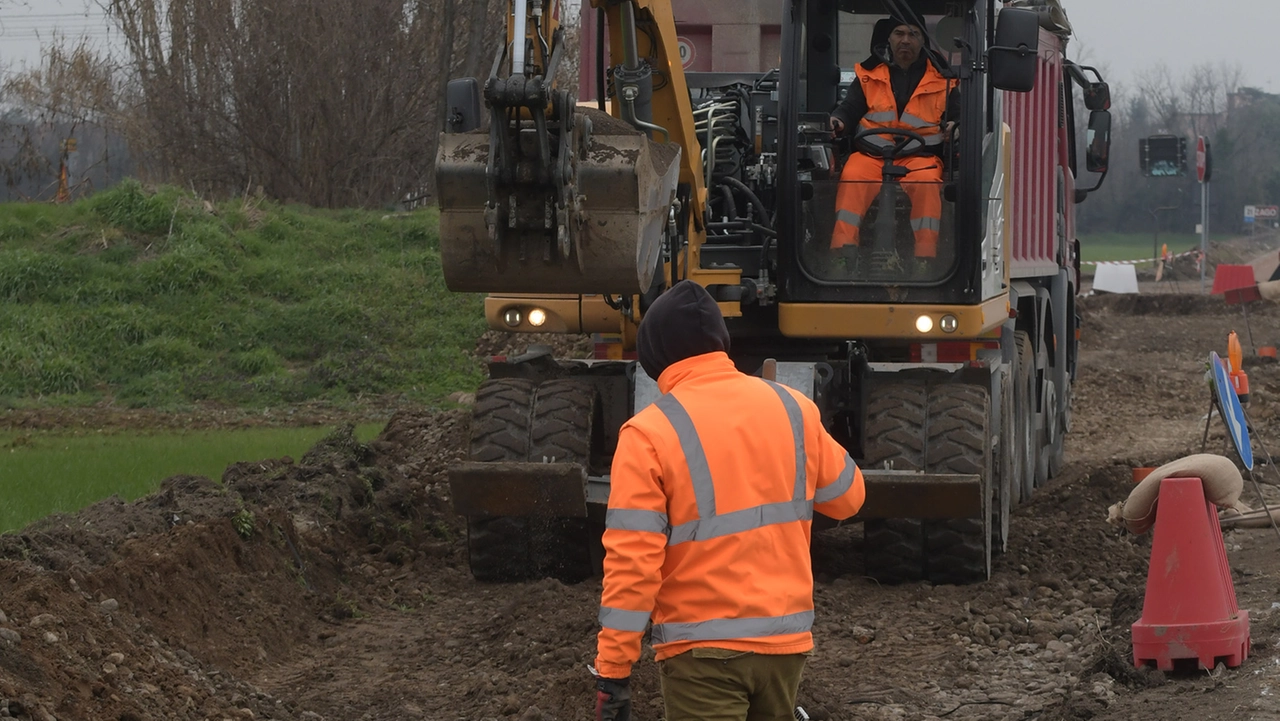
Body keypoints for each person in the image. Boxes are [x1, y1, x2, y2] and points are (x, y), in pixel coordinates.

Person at [591, 280, 867, 721]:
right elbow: (848, 498)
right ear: (721, 342)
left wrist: (614, 669)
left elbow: (632, 563)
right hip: (784, 646)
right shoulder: (793, 406)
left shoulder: (648, 434)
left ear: (655, 358)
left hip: (702, 654)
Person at [829, 16, 958, 258]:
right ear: (888, 38)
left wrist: (955, 125)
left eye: (913, 34)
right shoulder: (868, 75)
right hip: (871, 156)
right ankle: (842, 256)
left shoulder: (944, 79)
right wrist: (837, 120)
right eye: (899, 33)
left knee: (928, 184)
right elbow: (850, 108)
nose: (906, 40)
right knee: (852, 176)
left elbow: (958, 113)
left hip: (920, 159)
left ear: (923, 40)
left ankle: (925, 259)